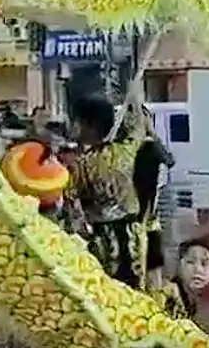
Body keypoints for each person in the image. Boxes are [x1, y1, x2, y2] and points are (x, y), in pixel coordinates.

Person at [69, 93, 147, 287]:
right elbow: (139, 125)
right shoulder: (128, 149)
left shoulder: (83, 164)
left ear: (90, 126)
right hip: (135, 235)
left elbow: (73, 205)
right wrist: (134, 97)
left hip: (104, 239)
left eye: (77, 122)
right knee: (135, 289)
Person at [132, 107, 176, 288]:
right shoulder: (150, 145)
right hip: (146, 219)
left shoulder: (127, 147)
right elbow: (170, 160)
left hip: (135, 220)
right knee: (152, 270)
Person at [151, 239, 209, 321]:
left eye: (204, 263)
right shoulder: (169, 293)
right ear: (179, 266)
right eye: (190, 262)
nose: (198, 269)